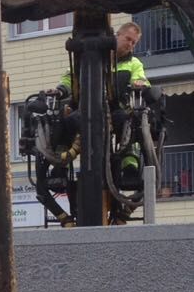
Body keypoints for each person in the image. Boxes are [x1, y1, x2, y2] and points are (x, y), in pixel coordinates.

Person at [57, 21, 152, 188]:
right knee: (67, 121)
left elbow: (141, 80)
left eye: (134, 42)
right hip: (85, 109)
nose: (130, 45)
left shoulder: (134, 63)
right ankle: (59, 167)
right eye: (128, 39)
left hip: (116, 110)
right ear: (117, 36)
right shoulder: (89, 58)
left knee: (129, 122)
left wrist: (141, 85)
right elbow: (69, 79)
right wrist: (60, 90)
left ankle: (129, 166)